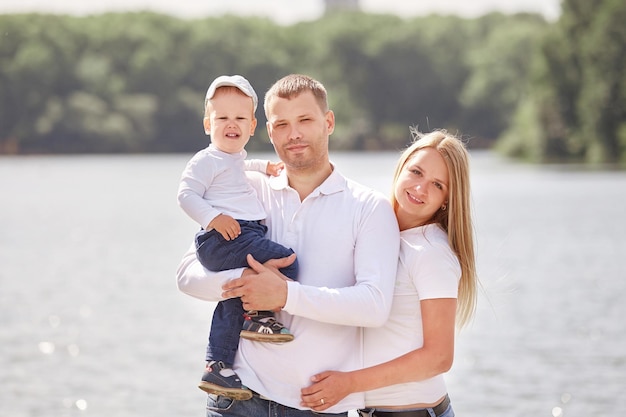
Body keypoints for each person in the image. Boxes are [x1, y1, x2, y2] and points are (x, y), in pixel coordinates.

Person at [176, 73, 400, 416]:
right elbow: (188, 275)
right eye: (281, 125)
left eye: (305, 120)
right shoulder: (246, 187)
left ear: (328, 122)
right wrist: (247, 283)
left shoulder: (369, 207)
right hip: (238, 399)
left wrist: (284, 296)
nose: (293, 134)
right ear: (267, 131)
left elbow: (374, 306)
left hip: (316, 405)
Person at [300, 129, 478, 417]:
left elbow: (439, 358)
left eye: (437, 185)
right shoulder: (378, 231)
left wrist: (348, 384)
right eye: (416, 172)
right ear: (401, 168)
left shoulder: (431, 252)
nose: (420, 188)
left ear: (447, 198)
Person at [177, 75, 301, 400]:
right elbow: (186, 194)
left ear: (252, 126)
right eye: (222, 118)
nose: (230, 125)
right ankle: (257, 317)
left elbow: (243, 165)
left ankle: (218, 366)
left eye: (239, 119)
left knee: (233, 296)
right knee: (287, 263)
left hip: (240, 236)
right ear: (207, 124)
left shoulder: (233, 159)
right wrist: (213, 218)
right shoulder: (206, 159)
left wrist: (266, 168)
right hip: (224, 237)